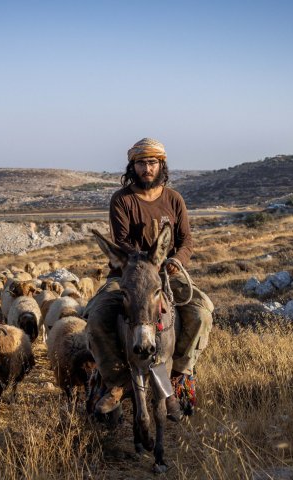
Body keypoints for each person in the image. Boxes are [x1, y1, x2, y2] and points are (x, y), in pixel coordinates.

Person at [84, 137, 214, 420]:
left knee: (201, 313)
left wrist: (177, 261)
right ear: (133, 165)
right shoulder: (122, 200)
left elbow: (186, 240)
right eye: (141, 162)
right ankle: (116, 383)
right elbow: (121, 241)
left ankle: (178, 374)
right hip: (127, 275)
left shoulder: (174, 199)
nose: (147, 168)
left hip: (167, 272)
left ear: (161, 165)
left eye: (152, 162)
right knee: (97, 317)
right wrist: (146, 265)